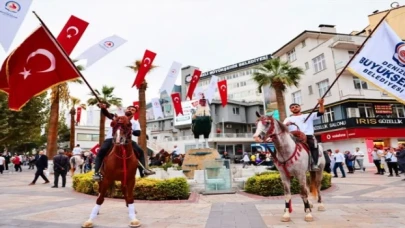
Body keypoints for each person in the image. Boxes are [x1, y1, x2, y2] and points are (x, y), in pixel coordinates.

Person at [93, 104, 155, 181]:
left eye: (133, 110)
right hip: (111, 138)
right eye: (129, 108)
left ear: (134, 113)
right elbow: (107, 114)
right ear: (126, 110)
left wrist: (130, 129)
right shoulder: (117, 117)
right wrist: (103, 108)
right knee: (101, 151)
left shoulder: (135, 122)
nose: (130, 110)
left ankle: (143, 170)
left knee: (140, 151)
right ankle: (96, 173)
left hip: (126, 140)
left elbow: (138, 133)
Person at [283, 99, 325, 171]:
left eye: (296, 106)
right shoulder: (288, 119)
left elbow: (321, 112)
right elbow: (283, 127)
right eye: (292, 107)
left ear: (300, 108)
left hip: (307, 135)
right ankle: (280, 163)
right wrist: (286, 124)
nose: (295, 108)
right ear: (290, 110)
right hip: (292, 136)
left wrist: (321, 104)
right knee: (280, 145)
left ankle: (314, 164)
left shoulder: (308, 115)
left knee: (313, 145)